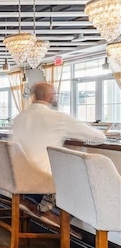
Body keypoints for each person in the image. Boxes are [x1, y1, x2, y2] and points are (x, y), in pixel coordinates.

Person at [12, 82, 106, 223]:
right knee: (82, 178)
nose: (57, 97)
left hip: (19, 173)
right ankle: (52, 213)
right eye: (56, 94)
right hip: (43, 176)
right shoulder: (59, 118)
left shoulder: (19, 118)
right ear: (48, 96)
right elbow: (97, 137)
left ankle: (31, 201)